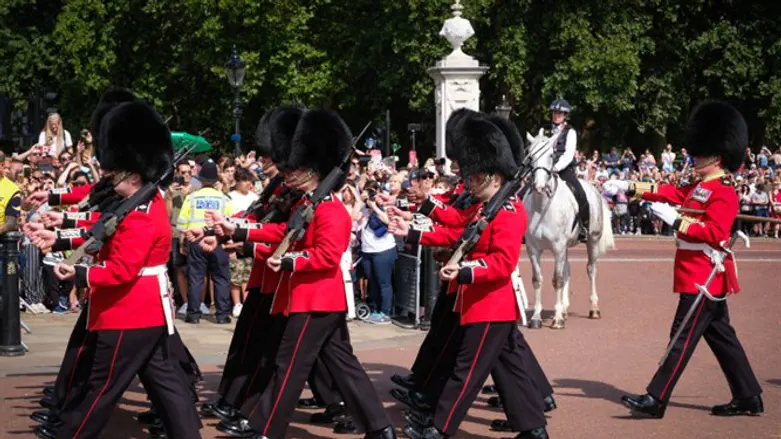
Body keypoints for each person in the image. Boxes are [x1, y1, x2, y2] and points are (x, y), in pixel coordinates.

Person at [49, 100, 202, 439]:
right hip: (144, 312)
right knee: (167, 385)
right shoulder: (135, 208)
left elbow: (121, 270)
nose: (111, 181)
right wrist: (62, 237)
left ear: (134, 175)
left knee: (99, 390)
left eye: (116, 175)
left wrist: (78, 274)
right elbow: (99, 229)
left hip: (130, 312)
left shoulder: (142, 215)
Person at [392, 112, 548, 439]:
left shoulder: (508, 212)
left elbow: (502, 264)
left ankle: (440, 428)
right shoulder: (483, 206)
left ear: (493, 176)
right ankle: (534, 429)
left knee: (466, 372)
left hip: (490, 305)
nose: (469, 182)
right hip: (478, 303)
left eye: (475, 177)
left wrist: (463, 271)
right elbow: (456, 234)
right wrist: (415, 233)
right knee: (511, 370)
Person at [605, 100, 763, 419]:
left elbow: (716, 234)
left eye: (699, 154)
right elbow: (669, 193)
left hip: (705, 277)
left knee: (680, 336)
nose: (694, 158)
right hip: (695, 272)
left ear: (716, 156)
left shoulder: (724, 192)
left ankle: (656, 398)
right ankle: (748, 396)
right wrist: (629, 187)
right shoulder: (698, 186)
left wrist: (676, 221)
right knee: (722, 337)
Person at [178, 159, 235, 324]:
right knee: (221, 277)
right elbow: (231, 221)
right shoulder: (224, 198)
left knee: (196, 277)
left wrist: (183, 242)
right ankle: (222, 315)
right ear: (216, 180)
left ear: (201, 179)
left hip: (195, 239)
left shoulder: (192, 197)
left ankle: (193, 314)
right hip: (218, 240)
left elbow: (182, 223)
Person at [544, 98, 589, 242]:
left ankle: (584, 227)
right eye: (555, 113)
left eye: (560, 113)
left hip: (563, 170)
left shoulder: (571, 132)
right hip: (544, 169)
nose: (556, 115)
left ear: (565, 116)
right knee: (525, 190)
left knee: (580, 194)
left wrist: (555, 168)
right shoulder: (545, 131)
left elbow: (568, 155)